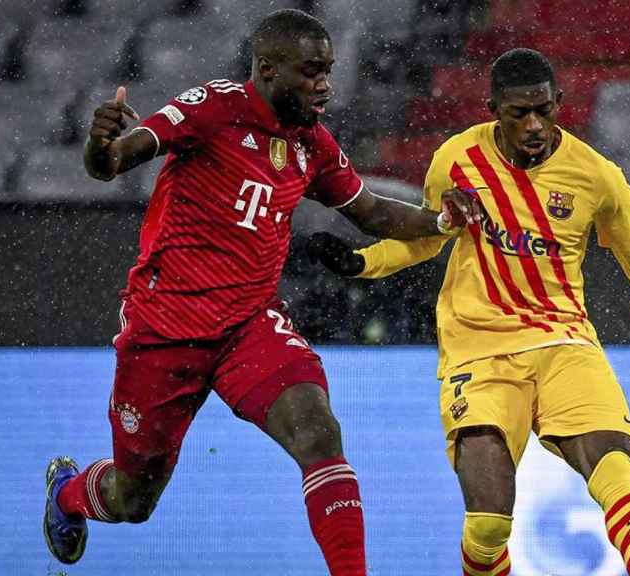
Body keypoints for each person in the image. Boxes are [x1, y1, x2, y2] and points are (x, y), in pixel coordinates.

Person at [42, 9, 464, 575]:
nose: (325, 84)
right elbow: (115, 160)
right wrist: (101, 145)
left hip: (249, 325)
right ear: (267, 70)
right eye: (311, 72)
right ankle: (68, 492)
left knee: (319, 433)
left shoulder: (310, 142)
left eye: (329, 71)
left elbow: (370, 211)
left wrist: (443, 222)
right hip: (165, 331)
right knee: (133, 500)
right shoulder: (213, 107)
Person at [310, 48, 630, 576]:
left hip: (564, 344)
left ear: (559, 104)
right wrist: (361, 262)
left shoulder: (597, 177)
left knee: (616, 469)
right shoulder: (457, 159)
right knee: (488, 526)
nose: (533, 125)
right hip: (478, 355)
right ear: (492, 109)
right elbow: (429, 240)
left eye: (544, 111)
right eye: (518, 113)